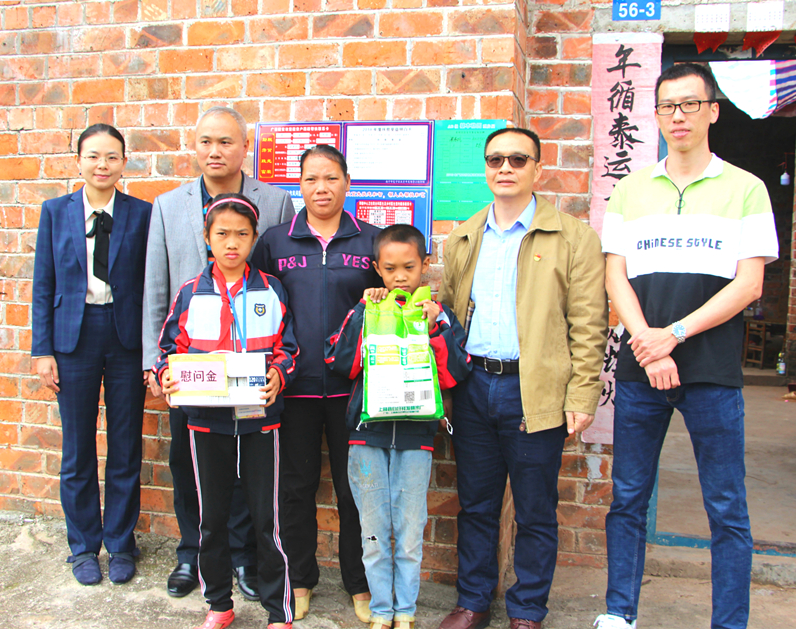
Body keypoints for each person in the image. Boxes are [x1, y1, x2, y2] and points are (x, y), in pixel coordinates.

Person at [595, 63, 779, 629]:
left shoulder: (746, 188)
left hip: (711, 370)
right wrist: (647, 345)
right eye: (668, 106)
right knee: (628, 497)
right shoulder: (630, 190)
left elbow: (749, 284)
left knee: (725, 506)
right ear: (656, 115)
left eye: (690, 104)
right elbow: (615, 276)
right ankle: (619, 612)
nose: (678, 116)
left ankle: (730, 622)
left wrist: (670, 336)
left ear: (713, 111)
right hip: (641, 369)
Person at [437, 128, 608, 629]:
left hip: (533, 391)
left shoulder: (573, 238)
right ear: (486, 168)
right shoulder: (465, 237)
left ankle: (528, 611)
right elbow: (448, 313)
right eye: (495, 160)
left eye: (517, 159)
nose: (505, 168)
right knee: (476, 505)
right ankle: (472, 602)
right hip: (473, 387)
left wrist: (582, 395)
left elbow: (589, 323)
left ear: (537, 167)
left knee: (534, 509)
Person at [142, 106, 295, 600]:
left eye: (226, 141)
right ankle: (193, 555)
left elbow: (277, 288)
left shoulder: (275, 202)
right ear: (195, 145)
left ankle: (244, 558)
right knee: (191, 467)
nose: (215, 150)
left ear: (245, 147)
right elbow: (156, 288)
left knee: (249, 473)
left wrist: (278, 367)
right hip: (193, 374)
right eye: (206, 140)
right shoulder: (168, 206)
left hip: (252, 373)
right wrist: (155, 365)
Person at [252, 144, 377, 621]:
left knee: (353, 492)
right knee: (296, 489)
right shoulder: (275, 242)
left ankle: (359, 583)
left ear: (347, 182)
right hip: (293, 388)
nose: (321, 188)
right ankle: (300, 579)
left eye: (330, 178)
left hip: (354, 391)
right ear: (299, 185)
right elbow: (258, 308)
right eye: (310, 179)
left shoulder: (371, 241)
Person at [326, 224, 472, 629]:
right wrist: (363, 311)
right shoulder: (367, 308)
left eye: (409, 267)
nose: (400, 277)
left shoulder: (439, 314)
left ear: (426, 264)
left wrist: (436, 325)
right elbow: (340, 361)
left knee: (409, 532)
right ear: (377, 268)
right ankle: (380, 611)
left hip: (415, 440)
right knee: (373, 533)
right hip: (366, 439)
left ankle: (405, 610)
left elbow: (456, 373)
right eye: (390, 269)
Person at [32, 124, 152, 585]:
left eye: (112, 156)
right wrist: (42, 350)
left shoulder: (141, 213)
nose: (103, 165)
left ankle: (120, 543)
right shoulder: (55, 212)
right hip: (73, 339)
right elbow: (43, 284)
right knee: (78, 447)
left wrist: (152, 352)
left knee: (125, 446)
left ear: (124, 161)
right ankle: (83, 546)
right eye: (94, 156)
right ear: (78, 159)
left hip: (124, 338)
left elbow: (151, 284)